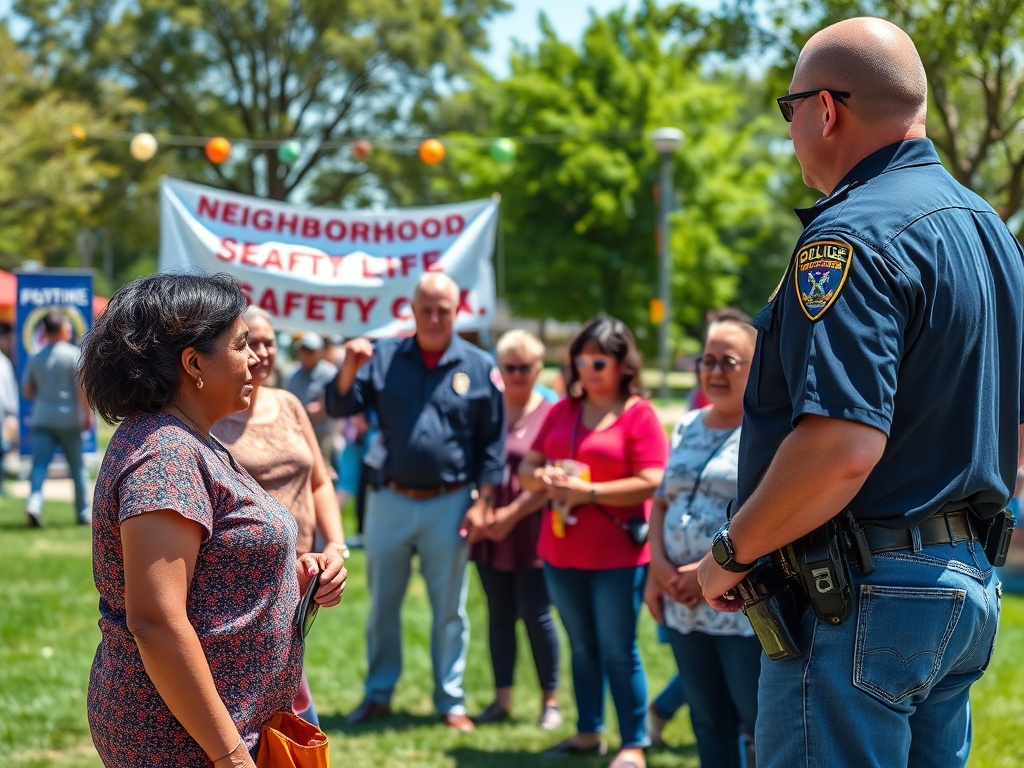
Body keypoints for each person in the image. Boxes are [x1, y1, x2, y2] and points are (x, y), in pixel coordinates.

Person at [696, 17, 1024, 768]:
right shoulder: (994, 234)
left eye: (789, 110)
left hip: (862, 594)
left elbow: (841, 447)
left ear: (825, 109)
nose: (791, 130)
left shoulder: (848, 235)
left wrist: (730, 553)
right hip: (963, 586)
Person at [81, 272, 347, 768]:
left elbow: (210, 571)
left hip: (217, 730)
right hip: (187, 742)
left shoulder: (189, 440)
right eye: (242, 345)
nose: (256, 360)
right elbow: (156, 622)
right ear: (194, 363)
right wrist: (231, 758)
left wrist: (294, 575)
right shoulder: (166, 456)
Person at [325, 272, 505, 732]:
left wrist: (483, 502)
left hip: (450, 502)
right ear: (412, 309)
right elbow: (342, 407)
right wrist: (349, 366)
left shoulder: (479, 365)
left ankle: (451, 700)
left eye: (443, 309)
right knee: (383, 604)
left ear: (457, 310)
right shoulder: (384, 357)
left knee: (450, 609)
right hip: (389, 500)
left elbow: (492, 443)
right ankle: (378, 694)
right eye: (426, 308)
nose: (434, 317)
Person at [520, 317, 668, 768]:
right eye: (581, 360)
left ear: (624, 365)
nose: (588, 369)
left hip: (617, 556)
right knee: (582, 647)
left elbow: (653, 480)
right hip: (561, 550)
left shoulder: (638, 413)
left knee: (618, 649)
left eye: (599, 360)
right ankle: (588, 733)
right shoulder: (562, 409)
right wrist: (541, 477)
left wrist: (591, 493)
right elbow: (528, 466)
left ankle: (634, 742)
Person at [210, 306, 349, 727]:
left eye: (270, 342)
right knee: (272, 694)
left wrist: (336, 545)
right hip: (248, 579)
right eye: (250, 342)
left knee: (286, 678)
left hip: (305, 573)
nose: (262, 352)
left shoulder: (289, 404)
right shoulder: (213, 411)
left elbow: (320, 480)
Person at [645, 309, 759, 768]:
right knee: (707, 720)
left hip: (739, 607)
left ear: (757, 368)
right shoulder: (687, 425)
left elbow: (768, 516)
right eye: (706, 361)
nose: (713, 371)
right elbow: (662, 501)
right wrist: (657, 568)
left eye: (728, 362)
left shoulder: (767, 435)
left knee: (756, 721)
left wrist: (708, 572)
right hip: (680, 604)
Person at [471, 329, 561, 729]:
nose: (518, 374)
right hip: (490, 528)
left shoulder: (552, 411)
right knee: (499, 615)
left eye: (526, 367)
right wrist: (486, 510)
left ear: (538, 368)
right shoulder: (490, 407)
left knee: (537, 615)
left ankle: (551, 702)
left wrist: (511, 515)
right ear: (499, 369)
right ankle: (502, 699)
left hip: (533, 528)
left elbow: (551, 479)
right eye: (510, 367)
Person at [22, 311, 93, 526]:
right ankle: (83, 512)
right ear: (62, 330)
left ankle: (34, 502)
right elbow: (82, 390)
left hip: (42, 417)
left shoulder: (36, 356)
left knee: (39, 465)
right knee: (77, 467)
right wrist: (87, 414)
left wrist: (43, 397)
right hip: (68, 419)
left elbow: (27, 390)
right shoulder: (74, 355)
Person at [286, 332, 338, 471]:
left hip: (320, 434)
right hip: (297, 433)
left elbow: (324, 408)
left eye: (310, 350)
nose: (306, 354)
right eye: (304, 350)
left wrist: (302, 410)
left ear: (319, 353)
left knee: (321, 470)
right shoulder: (293, 373)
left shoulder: (329, 373)